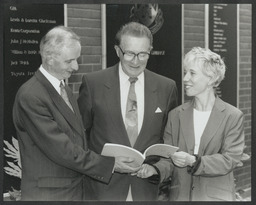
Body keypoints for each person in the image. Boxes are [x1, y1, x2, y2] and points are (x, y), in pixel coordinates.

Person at [12, 25, 139, 201]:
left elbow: (78, 139)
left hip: (73, 191)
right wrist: (110, 163)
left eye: (76, 59)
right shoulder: (31, 95)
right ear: (49, 58)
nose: (76, 66)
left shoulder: (64, 89)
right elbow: (62, 150)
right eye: (69, 61)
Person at [77, 21, 178, 201]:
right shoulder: (93, 84)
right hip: (102, 189)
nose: (136, 61)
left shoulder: (166, 87)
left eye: (143, 54)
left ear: (150, 52)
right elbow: (79, 138)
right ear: (117, 51)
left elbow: (170, 141)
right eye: (130, 53)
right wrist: (105, 165)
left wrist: (157, 169)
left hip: (145, 189)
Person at [136, 47, 245, 201]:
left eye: (192, 73)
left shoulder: (232, 116)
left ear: (211, 79)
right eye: (185, 72)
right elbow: (169, 159)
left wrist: (194, 161)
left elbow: (230, 160)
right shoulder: (176, 115)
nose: (185, 78)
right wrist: (154, 169)